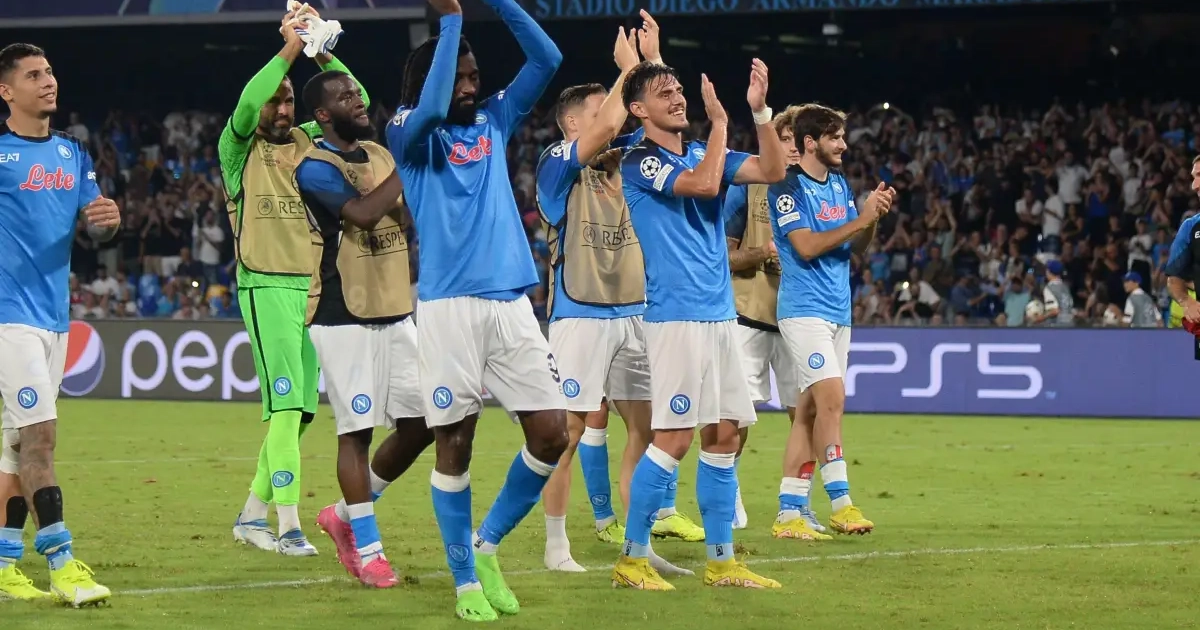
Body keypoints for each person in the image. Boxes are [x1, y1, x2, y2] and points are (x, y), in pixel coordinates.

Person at [385, 0, 566, 620]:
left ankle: (487, 545)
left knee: (552, 432)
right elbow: (432, 109)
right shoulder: (407, 130)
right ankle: (464, 580)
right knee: (455, 443)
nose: (470, 86)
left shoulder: (494, 118)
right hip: (449, 309)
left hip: (511, 303)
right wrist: (452, 24)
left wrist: (499, 3)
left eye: (473, 76)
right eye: (459, 76)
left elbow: (547, 59)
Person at [611, 58, 787, 591]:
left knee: (725, 434)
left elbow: (773, 171)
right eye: (664, 92)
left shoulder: (699, 151)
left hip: (719, 315)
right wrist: (722, 124)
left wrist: (760, 112)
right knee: (673, 439)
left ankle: (722, 562)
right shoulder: (639, 160)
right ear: (638, 109)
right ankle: (632, 560)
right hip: (675, 318)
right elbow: (706, 186)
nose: (677, 97)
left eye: (679, 89)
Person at [220, 7, 370, 556]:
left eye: (289, 101)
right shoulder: (237, 151)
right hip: (265, 287)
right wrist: (288, 47)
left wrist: (318, 48)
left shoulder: (308, 142)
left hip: (313, 291)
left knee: (300, 413)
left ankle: (250, 516)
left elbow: (357, 99)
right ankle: (288, 528)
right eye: (275, 101)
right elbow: (246, 104)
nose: (282, 109)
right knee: (285, 409)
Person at [293, 70, 435, 588]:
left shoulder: (379, 154)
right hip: (342, 313)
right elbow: (366, 214)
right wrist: (409, 168)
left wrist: (406, 178)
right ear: (322, 116)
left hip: (395, 307)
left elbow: (408, 215)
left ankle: (344, 514)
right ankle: (370, 551)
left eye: (358, 92)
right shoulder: (314, 167)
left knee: (424, 423)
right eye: (345, 96)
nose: (358, 99)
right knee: (356, 432)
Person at [0, 42, 119, 606]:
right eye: (33, 75)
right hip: (8, 318)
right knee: (41, 438)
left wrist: (107, 220)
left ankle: (3, 565)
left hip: (53, 317)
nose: (48, 81)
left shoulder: (72, 153)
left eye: (48, 72)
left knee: (15, 448)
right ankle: (62, 562)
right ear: (7, 91)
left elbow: (97, 226)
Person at [768, 104, 894, 539]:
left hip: (839, 311)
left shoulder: (838, 184)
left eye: (842, 136)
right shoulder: (786, 188)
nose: (843, 144)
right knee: (833, 399)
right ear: (810, 143)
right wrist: (860, 218)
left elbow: (857, 247)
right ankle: (842, 503)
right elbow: (805, 247)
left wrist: (871, 219)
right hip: (804, 311)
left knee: (807, 412)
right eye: (834, 137)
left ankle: (789, 512)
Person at [721, 105, 829, 541]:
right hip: (748, 315)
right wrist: (759, 254)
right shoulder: (747, 188)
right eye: (785, 140)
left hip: (800, 317)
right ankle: (727, 492)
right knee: (736, 416)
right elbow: (723, 256)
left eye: (797, 141)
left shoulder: (819, 191)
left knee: (807, 414)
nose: (792, 148)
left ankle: (798, 504)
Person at [1034, 260, 1074, 326]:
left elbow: (1054, 311)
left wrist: (1041, 318)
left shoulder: (1049, 288)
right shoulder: (1065, 287)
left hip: (1057, 325)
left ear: (1049, 272)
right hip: (1070, 323)